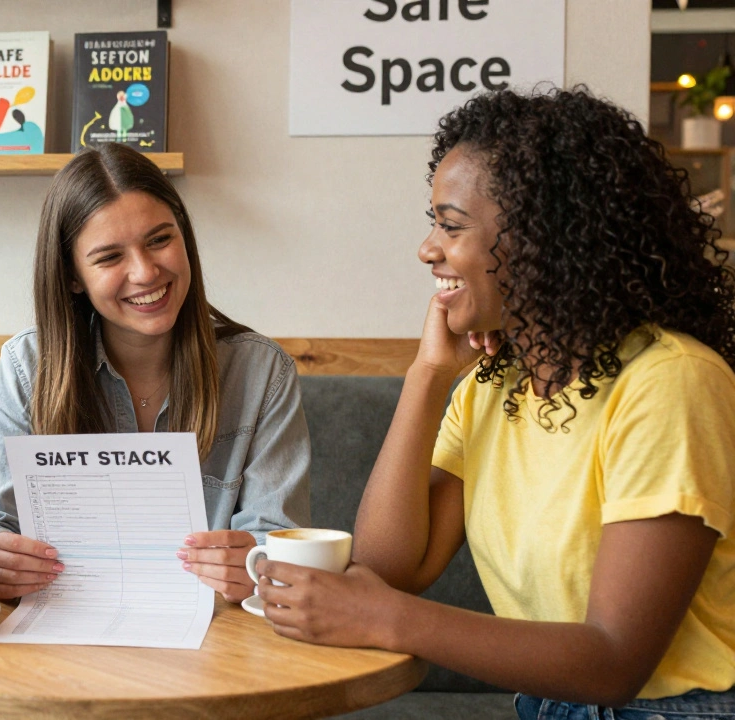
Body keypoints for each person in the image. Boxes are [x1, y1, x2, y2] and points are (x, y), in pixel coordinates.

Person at [256, 87, 735, 717]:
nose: (428, 248)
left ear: (543, 239)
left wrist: (389, 619)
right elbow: (390, 566)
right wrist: (428, 376)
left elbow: (614, 661)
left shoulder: (670, 382)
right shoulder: (493, 387)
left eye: (450, 226)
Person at [0, 143, 311, 604]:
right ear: (73, 277)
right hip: (60, 639)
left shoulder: (262, 373)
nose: (144, 272)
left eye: (160, 239)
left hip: (219, 646)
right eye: (109, 257)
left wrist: (257, 567)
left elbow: (279, 540)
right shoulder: (28, 367)